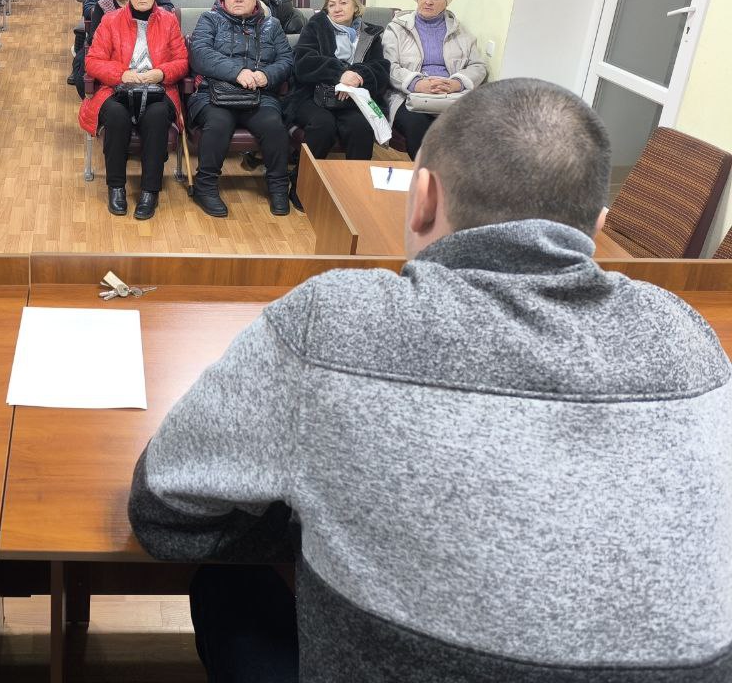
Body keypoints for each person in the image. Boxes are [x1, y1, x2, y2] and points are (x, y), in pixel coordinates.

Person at [129, 78, 732, 683]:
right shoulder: (687, 340)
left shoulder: (333, 322)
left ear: (422, 198)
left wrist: (322, 520)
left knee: (225, 587)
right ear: (597, 227)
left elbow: (162, 510)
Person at [79, 0, 188, 220]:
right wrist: (122, 74)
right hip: (116, 89)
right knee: (116, 116)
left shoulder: (169, 20)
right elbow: (92, 61)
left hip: (158, 89)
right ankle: (116, 186)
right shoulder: (110, 21)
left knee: (157, 116)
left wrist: (161, 73)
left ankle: (150, 191)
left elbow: (182, 61)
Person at [186, 0, 293, 217]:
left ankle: (278, 187)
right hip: (213, 93)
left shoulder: (272, 25)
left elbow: (286, 60)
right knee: (218, 123)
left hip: (259, 94)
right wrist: (237, 72)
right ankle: (205, 187)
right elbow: (200, 54)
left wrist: (267, 75)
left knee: (273, 126)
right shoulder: (210, 19)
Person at [383, 0, 487, 158]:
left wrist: (456, 83)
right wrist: (417, 83)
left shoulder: (460, 31)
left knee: (471, 129)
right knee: (418, 126)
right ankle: (425, 174)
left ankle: (452, 175)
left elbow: (478, 66)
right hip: (408, 96)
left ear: (446, 2)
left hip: (451, 95)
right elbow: (388, 66)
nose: (429, 1)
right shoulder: (397, 28)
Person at [286, 0, 390, 160]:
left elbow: (380, 69)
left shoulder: (370, 34)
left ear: (356, 6)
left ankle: (353, 178)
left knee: (360, 128)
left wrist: (357, 76)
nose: (337, 9)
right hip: (312, 95)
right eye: (331, 4)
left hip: (352, 100)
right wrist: (340, 74)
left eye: (343, 3)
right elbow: (303, 63)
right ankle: (302, 177)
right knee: (323, 125)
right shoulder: (315, 26)